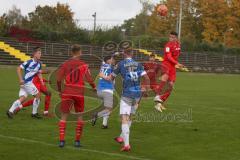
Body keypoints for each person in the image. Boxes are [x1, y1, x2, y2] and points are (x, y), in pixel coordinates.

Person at [56, 44, 96, 148]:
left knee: (64, 116)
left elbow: (58, 79)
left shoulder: (65, 64)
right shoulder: (84, 65)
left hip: (67, 92)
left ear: (71, 52)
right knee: (79, 116)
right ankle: (77, 142)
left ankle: (61, 141)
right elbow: (90, 79)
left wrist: (60, 90)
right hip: (79, 93)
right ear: (79, 52)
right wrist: (94, 87)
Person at [112, 49, 149, 152]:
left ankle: (127, 145)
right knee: (130, 116)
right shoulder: (138, 64)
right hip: (137, 94)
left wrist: (110, 81)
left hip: (127, 94)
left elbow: (112, 77)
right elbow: (147, 78)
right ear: (132, 54)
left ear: (124, 54)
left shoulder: (121, 64)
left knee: (124, 118)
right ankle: (121, 137)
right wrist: (145, 90)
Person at [7, 47, 43, 119]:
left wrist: (41, 80)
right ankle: (34, 113)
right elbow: (18, 68)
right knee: (38, 96)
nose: (40, 55)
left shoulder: (39, 64)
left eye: (40, 53)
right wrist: (20, 79)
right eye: (39, 53)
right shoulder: (29, 62)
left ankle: (10, 111)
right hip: (27, 83)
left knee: (23, 98)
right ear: (34, 54)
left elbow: (39, 72)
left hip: (26, 84)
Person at [154, 31, 184, 112]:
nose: (171, 38)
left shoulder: (178, 45)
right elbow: (169, 57)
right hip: (166, 64)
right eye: (170, 37)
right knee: (164, 80)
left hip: (173, 67)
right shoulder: (168, 45)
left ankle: (160, 103)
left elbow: (177, 55)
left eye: (173, 37)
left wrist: (176, 64)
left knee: (171, 86)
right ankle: (157, 96)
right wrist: (177, 63)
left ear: (176, 38)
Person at [92, 56, 115, 129]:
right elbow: (110, 77)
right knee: (109, 109)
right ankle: (97, 115)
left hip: (100, 90)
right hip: (107, 90)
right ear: (108, 60)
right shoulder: (110, 67)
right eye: (112, 59)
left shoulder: (103, 66)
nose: (113, 60)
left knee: (107, 108)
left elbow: (100, 74)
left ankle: (104, 124)